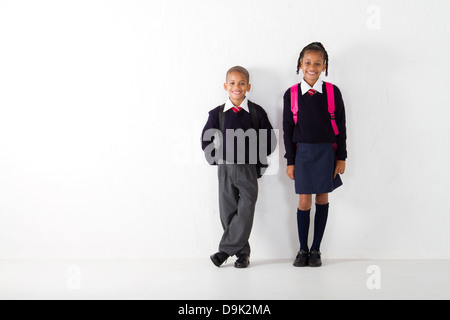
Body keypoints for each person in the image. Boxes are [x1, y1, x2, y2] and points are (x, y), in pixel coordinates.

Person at [201, 66, 276, 268]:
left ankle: (224, 251)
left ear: (248, 86)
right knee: (228, 210)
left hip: (247, 168)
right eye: (232, 83)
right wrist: (215, 157)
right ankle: (243, 254)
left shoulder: (256, 112)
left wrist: (257, 155)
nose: (237, 87)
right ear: (225, 86)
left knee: (246, 209)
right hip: (225, 167)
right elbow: (206, 137)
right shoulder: (218, 113)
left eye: (242, 83)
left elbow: (270, 139)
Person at [283, 42, 347, 267]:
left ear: (324, 66)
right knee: (303, 200)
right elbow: (288, 130)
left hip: (327, 152)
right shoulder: (291, 94)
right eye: (308, 62)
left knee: (322, 197)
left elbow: (341, 124)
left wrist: (342, 157)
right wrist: (290, 161)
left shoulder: (332, 92)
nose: (312, 67)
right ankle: (302, 249)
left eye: (317, 63)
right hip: (302, 154)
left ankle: (316, 249)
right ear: (301, 64)